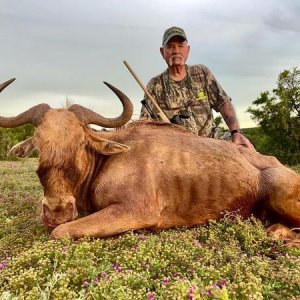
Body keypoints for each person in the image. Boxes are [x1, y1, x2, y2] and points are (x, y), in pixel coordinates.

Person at [140, 26, 254, 149]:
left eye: (180, 46)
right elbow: (144, 124)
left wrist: (236, 132)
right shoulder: (154, 84)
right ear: (162, 52)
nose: (175, 51)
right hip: (176, 147)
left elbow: (223, 102)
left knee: (247, 149)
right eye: (170, 46)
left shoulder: (202, 73)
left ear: (187, 50)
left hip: (212, 139)